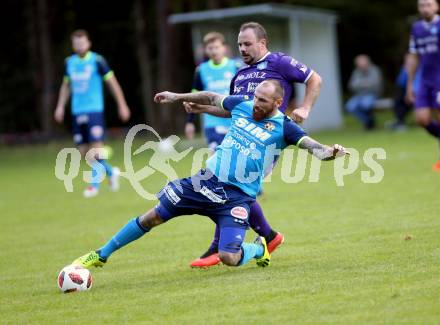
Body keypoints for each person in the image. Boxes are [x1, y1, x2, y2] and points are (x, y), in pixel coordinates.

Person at [72, 80, 348, 271]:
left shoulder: (285, 128)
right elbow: (211, 97)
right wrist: (178, 97)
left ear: (278, 102)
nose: (255, 104)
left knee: (228, 257)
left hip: (236, 198)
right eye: (255, 98)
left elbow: (315, 149)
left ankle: (258, 249)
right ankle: (100, 255)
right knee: (152, 216)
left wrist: (331, 152)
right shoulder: (243, 105)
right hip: (204, 181)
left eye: (262, 101)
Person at [188, 21, 322, 268]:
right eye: (239, 44)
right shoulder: (239, 74)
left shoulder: (279, 62)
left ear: (262, 43)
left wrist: (305, 107)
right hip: (238, 141)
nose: (242, 48)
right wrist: (202, 108)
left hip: (265, 144)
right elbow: (232, 111)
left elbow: (315, 79)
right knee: (227, 188)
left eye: (247, 44)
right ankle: (267, 237)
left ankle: (223, 246)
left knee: (230, 189)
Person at [54, 29, 131, 197]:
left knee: (95, 150)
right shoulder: (69, 62)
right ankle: (111, 173)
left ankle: (93, 187)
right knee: (84, 152)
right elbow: (66, 86)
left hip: (94, 111)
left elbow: (113, 83)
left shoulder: (97, 61)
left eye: (82, 43)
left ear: (88, 44)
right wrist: (60, 106)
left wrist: (122, 104)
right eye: (76, 43)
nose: (79, 46)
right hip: (77, 111)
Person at [185, 32, 241, 152]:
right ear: (206, 50)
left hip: (234, 120)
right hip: (212, 121)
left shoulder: (235, 67)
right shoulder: (201, 70)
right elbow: (194, 97)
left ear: (224, 48)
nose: (214, 51)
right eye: (210, 48)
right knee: (215, 155)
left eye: (217, 47)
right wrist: (190, 122)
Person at [406, 0, 440, 171]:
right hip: (425, 81)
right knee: (422, 119)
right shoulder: (416, 28)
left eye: (428, 4)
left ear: (436, 6)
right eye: (421, 5)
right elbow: (413, 57)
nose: (425, 8)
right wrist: (410, 84)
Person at [345, 54, 382, 130]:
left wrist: (360, 83)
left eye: (362, 62)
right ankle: (368, 121)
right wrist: (366, 82)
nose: (361, 65)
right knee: (350, 106)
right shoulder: (356, 72)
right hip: (359, 95)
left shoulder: (374, 70)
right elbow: (352, 85)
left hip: (372, 94)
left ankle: (369, 123)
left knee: (365, 105)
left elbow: (375, 84)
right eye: (359, 63)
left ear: (367, 62)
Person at [387, 54, 421, 131]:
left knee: (407, 100)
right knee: (398, 100)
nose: (408, 62)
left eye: (410, 60)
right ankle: (399, 121)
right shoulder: (404, 69)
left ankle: (400, 121)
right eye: (407, 60)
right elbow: (399, 82)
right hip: (405, 91)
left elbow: (418, 84)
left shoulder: (421, 69)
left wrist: (411, 92)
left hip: (417, 92)